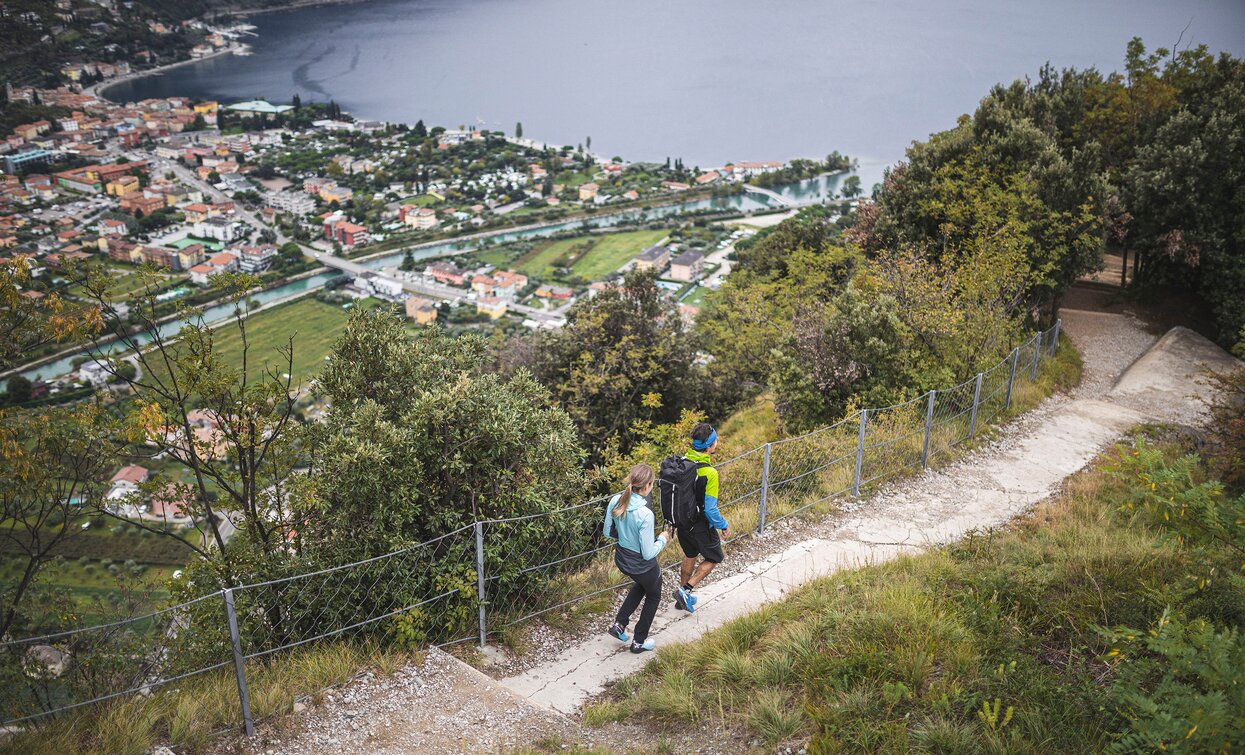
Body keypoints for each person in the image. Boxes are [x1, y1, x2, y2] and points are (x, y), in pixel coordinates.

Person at [603, 463, 671, 653]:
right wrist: (663, 539)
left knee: (642, 585)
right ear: (648, 485)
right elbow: (648, 553)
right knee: (654, 594)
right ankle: (639, 642)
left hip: (622, 559)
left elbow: (607, 532)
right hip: (642, 565)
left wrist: (626, 537)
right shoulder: (645, 514)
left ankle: (620, 625)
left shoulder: (616, 500)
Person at [674, 423, 728, 613]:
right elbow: (711, 510)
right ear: (709, 446)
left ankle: (682, 595)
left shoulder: (682, 462)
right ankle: (686, 590)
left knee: (690, 554)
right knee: (714, 557)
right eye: (715, 440)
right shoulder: (710, 473)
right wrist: (723, 524)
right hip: (700, 525)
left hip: (682, 522)